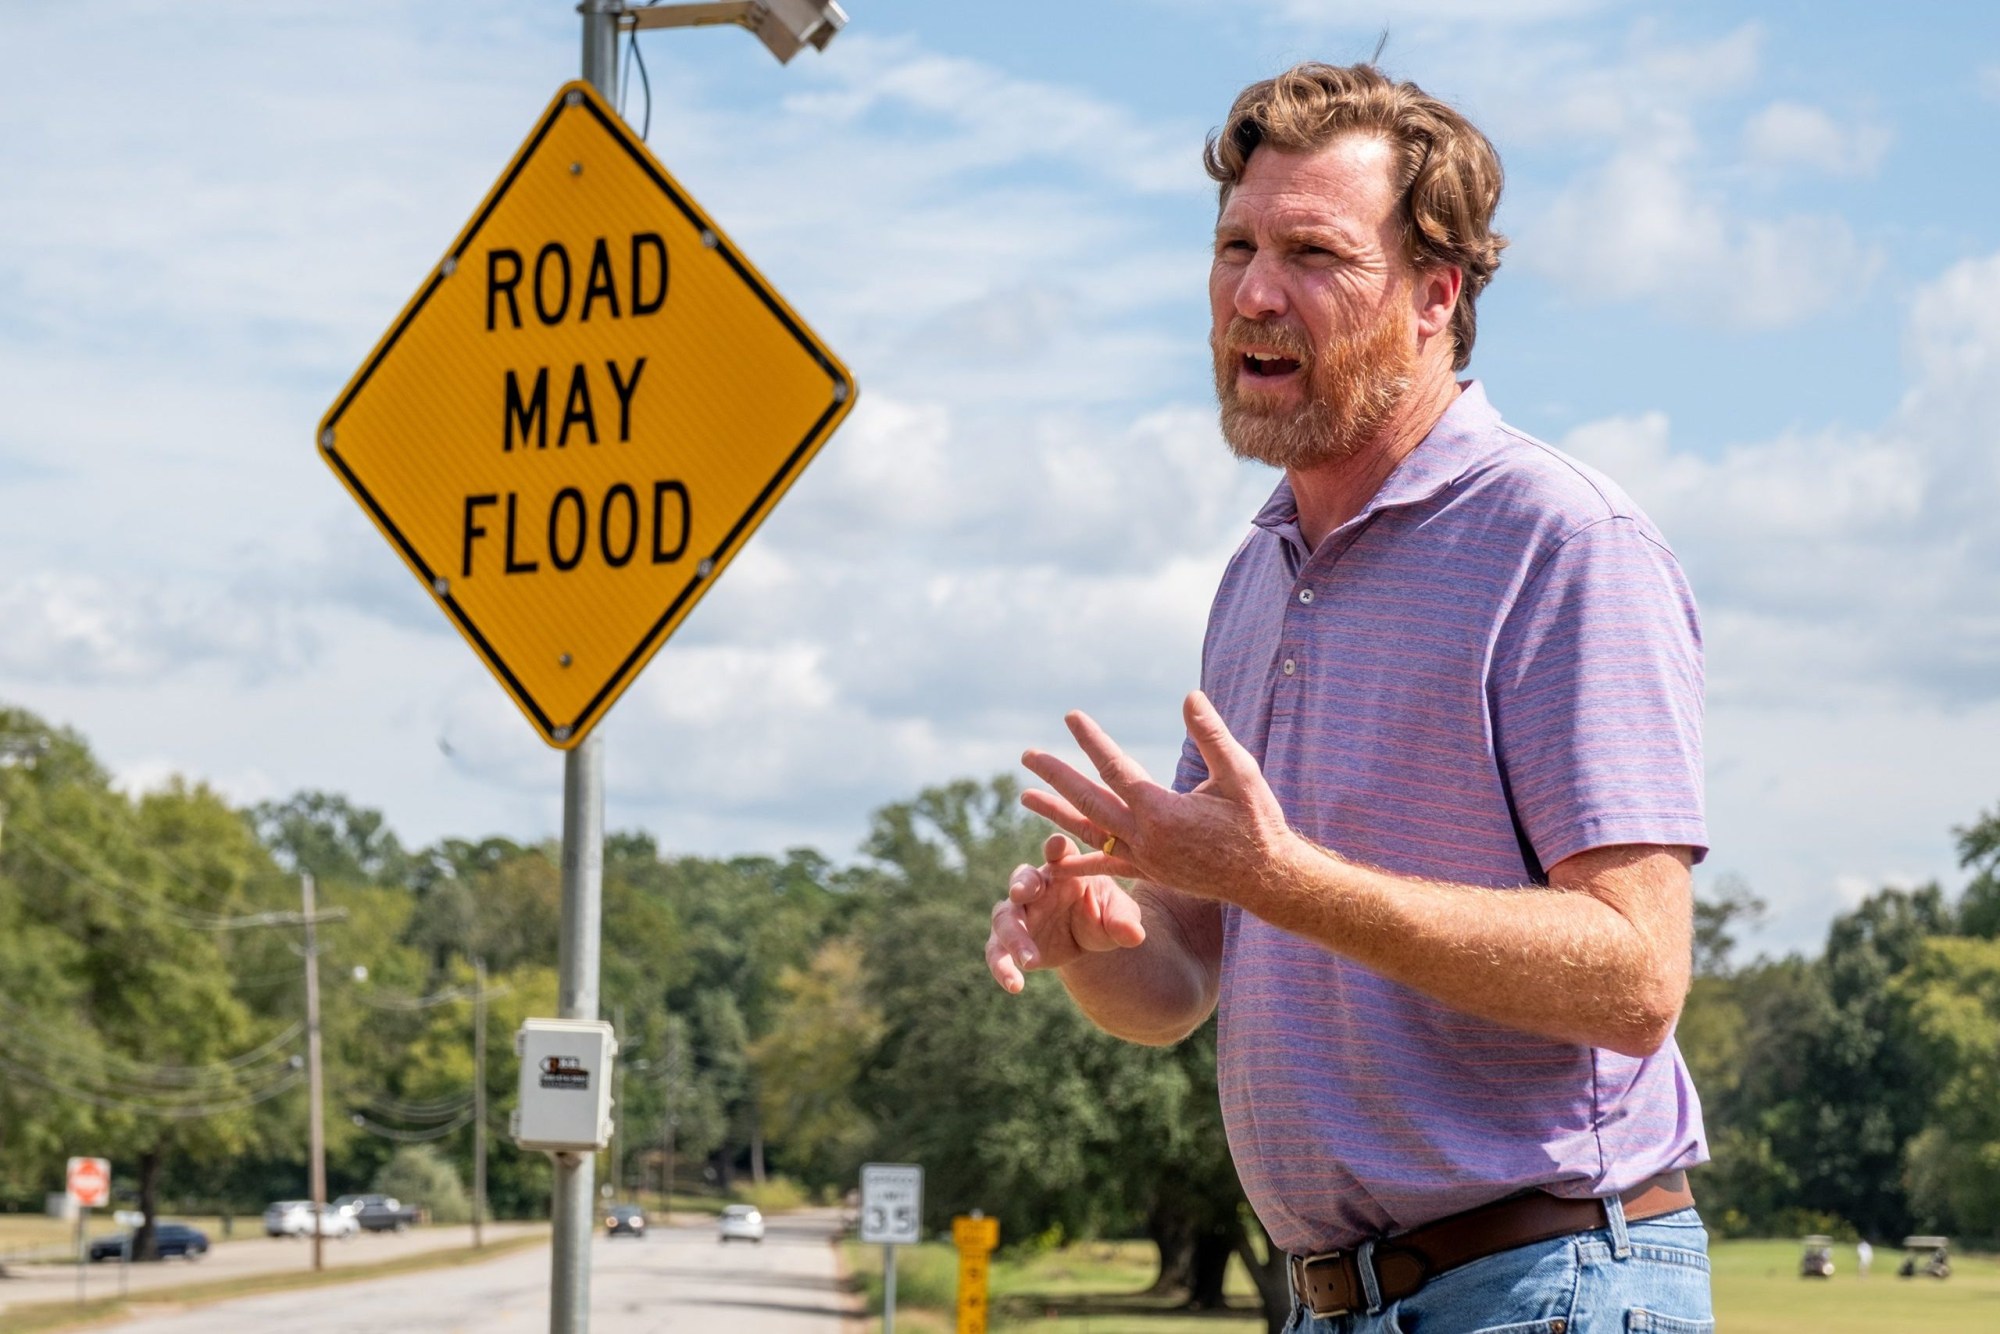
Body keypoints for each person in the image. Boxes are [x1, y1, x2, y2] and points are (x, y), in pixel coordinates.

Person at [984, 63, 1711, 1332]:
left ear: (1437, 294)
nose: (1253, 293)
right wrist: (1096, 941)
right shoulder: (1253, 574)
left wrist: (1278, 877)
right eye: (1233, 247)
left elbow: (1635, 976)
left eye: (1312, 252)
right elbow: (1179, 981)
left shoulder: (1563, 542)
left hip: (1549, 1284)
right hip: (1332, 1300)